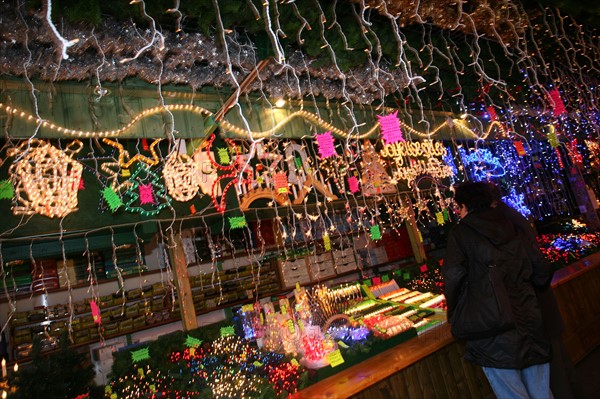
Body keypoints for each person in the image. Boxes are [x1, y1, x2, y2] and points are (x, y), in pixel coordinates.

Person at [442, 182, 554, 398]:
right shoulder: (512, 223)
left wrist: (455, 311)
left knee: (511, 394)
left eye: (459, 207)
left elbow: (453, 276)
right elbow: (540, 268)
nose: (458, 212)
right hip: (529, 317)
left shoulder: (461, 233)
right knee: (541, 391)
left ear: (464, 206)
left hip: (492, 327)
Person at [488, 183, 581, 399]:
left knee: (553, 371)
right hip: (539, 306)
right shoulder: (510, 216)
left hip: (535, 308)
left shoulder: (503, 224)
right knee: (560, 366)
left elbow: (531, 265)